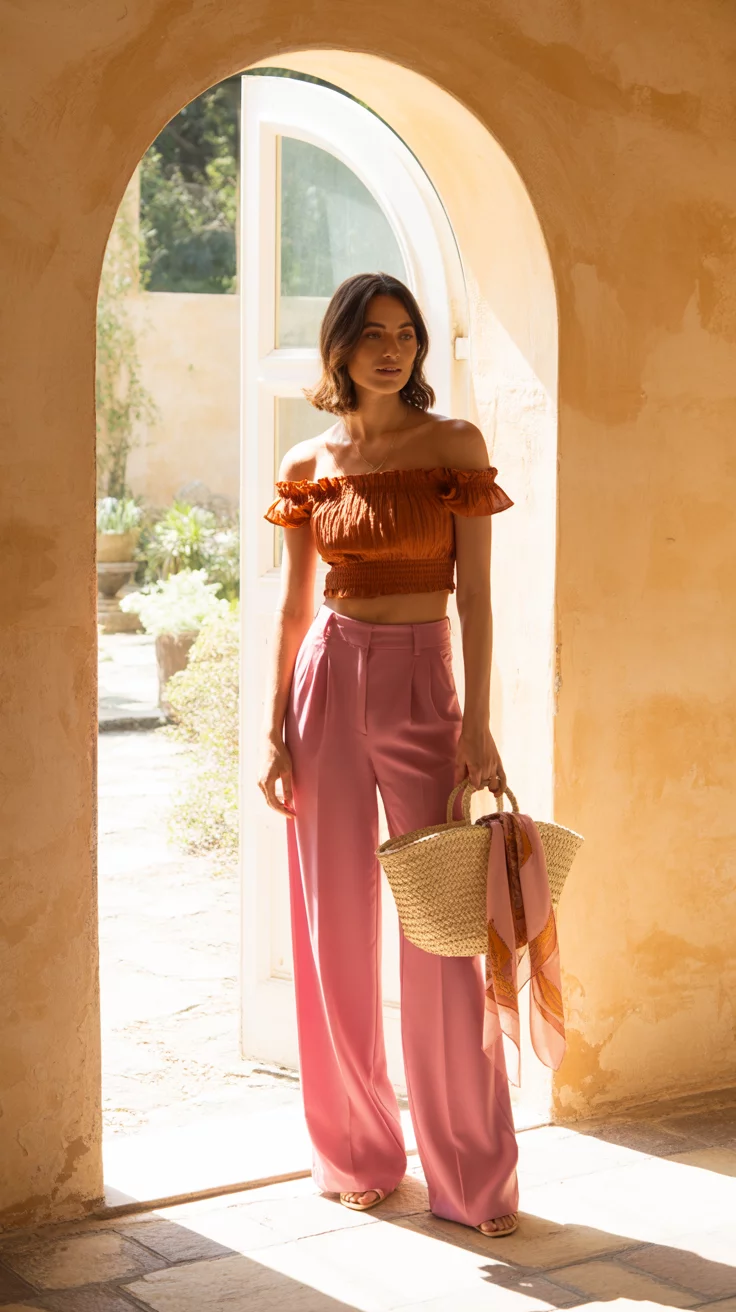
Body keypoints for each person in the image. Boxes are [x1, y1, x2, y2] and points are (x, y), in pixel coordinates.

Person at [258, 271, 518, 1237]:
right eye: (372, 334)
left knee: (444, 935)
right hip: (327, 683)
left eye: (406, 333)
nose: (392, 349)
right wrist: (276, 726)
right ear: (340, 347)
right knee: (334, 925)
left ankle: (473, 1178)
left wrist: (477, 723)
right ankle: (355, 1155)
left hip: (422, 684)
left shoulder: (455, 447)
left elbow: (476, 596)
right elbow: (294, 606)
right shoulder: (308, 461)